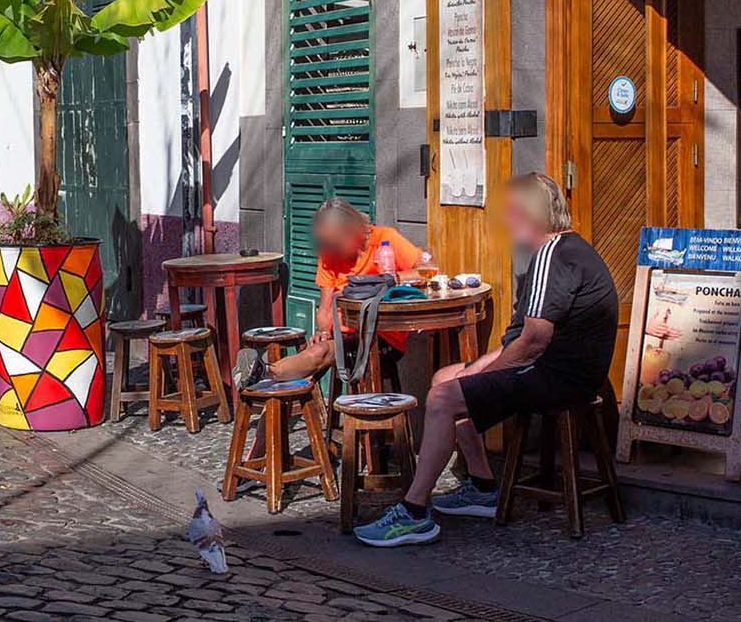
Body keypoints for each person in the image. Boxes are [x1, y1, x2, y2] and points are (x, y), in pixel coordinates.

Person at [354, 172, 619, 548]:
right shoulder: (566, 249)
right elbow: (518, 340)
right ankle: (481, 485)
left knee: (445, 398)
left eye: (510, 213)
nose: (507, 223)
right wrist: (473, 372)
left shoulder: (552, 256)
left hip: (562, 378)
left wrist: (477, 380)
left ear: (529, 214)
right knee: (445, 378)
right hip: (561, 370)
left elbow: (532, 344)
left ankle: (414, 512)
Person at [262, 198, 422, 384]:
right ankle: (262, 374)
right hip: (343, 335)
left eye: (336, 243)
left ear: (352, 231)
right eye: (327, 244)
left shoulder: (385, 238)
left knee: (319, 354)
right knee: (317, 351)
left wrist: (390, 279)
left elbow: (426, 271)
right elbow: (325, 306)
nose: (331, 250)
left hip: (382, 336)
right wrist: (322, 331)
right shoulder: (329, 254)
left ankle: (262, 373)